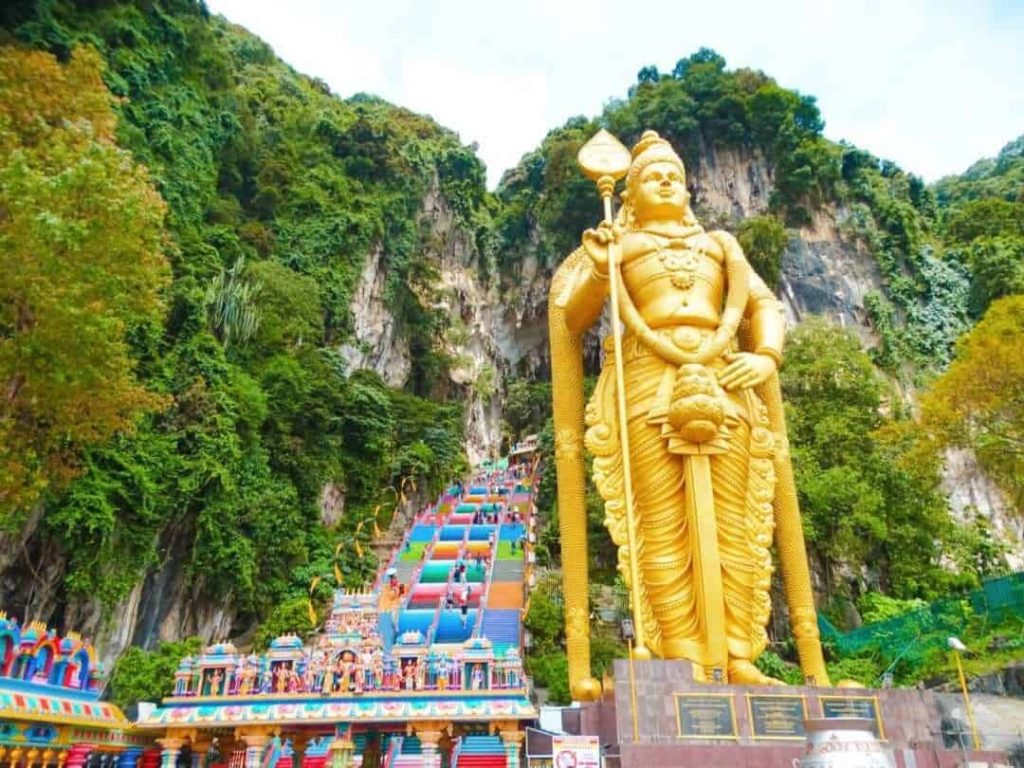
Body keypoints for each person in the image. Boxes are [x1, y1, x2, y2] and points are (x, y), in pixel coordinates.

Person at [550, 130, 827, 693]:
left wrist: (766, 354)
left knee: (736, 522)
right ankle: (681, 659)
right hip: (648, 383)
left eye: (674, 173)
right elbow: (571, 316)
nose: (666, 181)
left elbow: (763, 303)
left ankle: (740, 654)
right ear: (631, 192)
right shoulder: (619, 246)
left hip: (724, 377)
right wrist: (602, 269)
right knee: (659, 524)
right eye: (652, 176)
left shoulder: (721, 246)